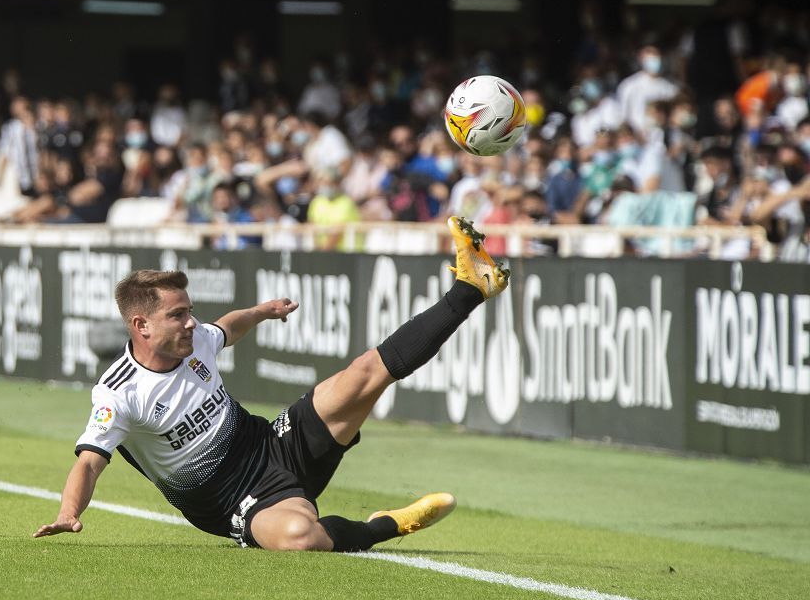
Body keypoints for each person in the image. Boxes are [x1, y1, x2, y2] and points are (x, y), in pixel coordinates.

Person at [33, 216, 510, 551]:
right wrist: (69, 512)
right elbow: (90, 462)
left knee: (365, 373)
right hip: (237, 501)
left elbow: (228, 326)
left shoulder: (195, 339)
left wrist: (261, 312)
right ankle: (385, 526)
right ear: (141, 326)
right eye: (177, 315)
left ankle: (470, 288)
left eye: (189, 310)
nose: (190, 322)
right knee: (301, 538)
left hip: (277, 442)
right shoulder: (118, 392)